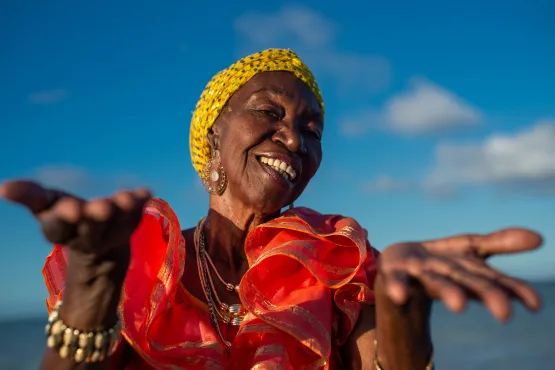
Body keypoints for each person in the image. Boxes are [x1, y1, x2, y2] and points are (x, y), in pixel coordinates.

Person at [0, 48, 543, 370]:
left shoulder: (337, 261)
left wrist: (402, 311)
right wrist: (93, 286)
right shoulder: (135, 259)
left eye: (312, 130)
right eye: (269, 112)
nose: (294, 137)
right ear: (213, 134)